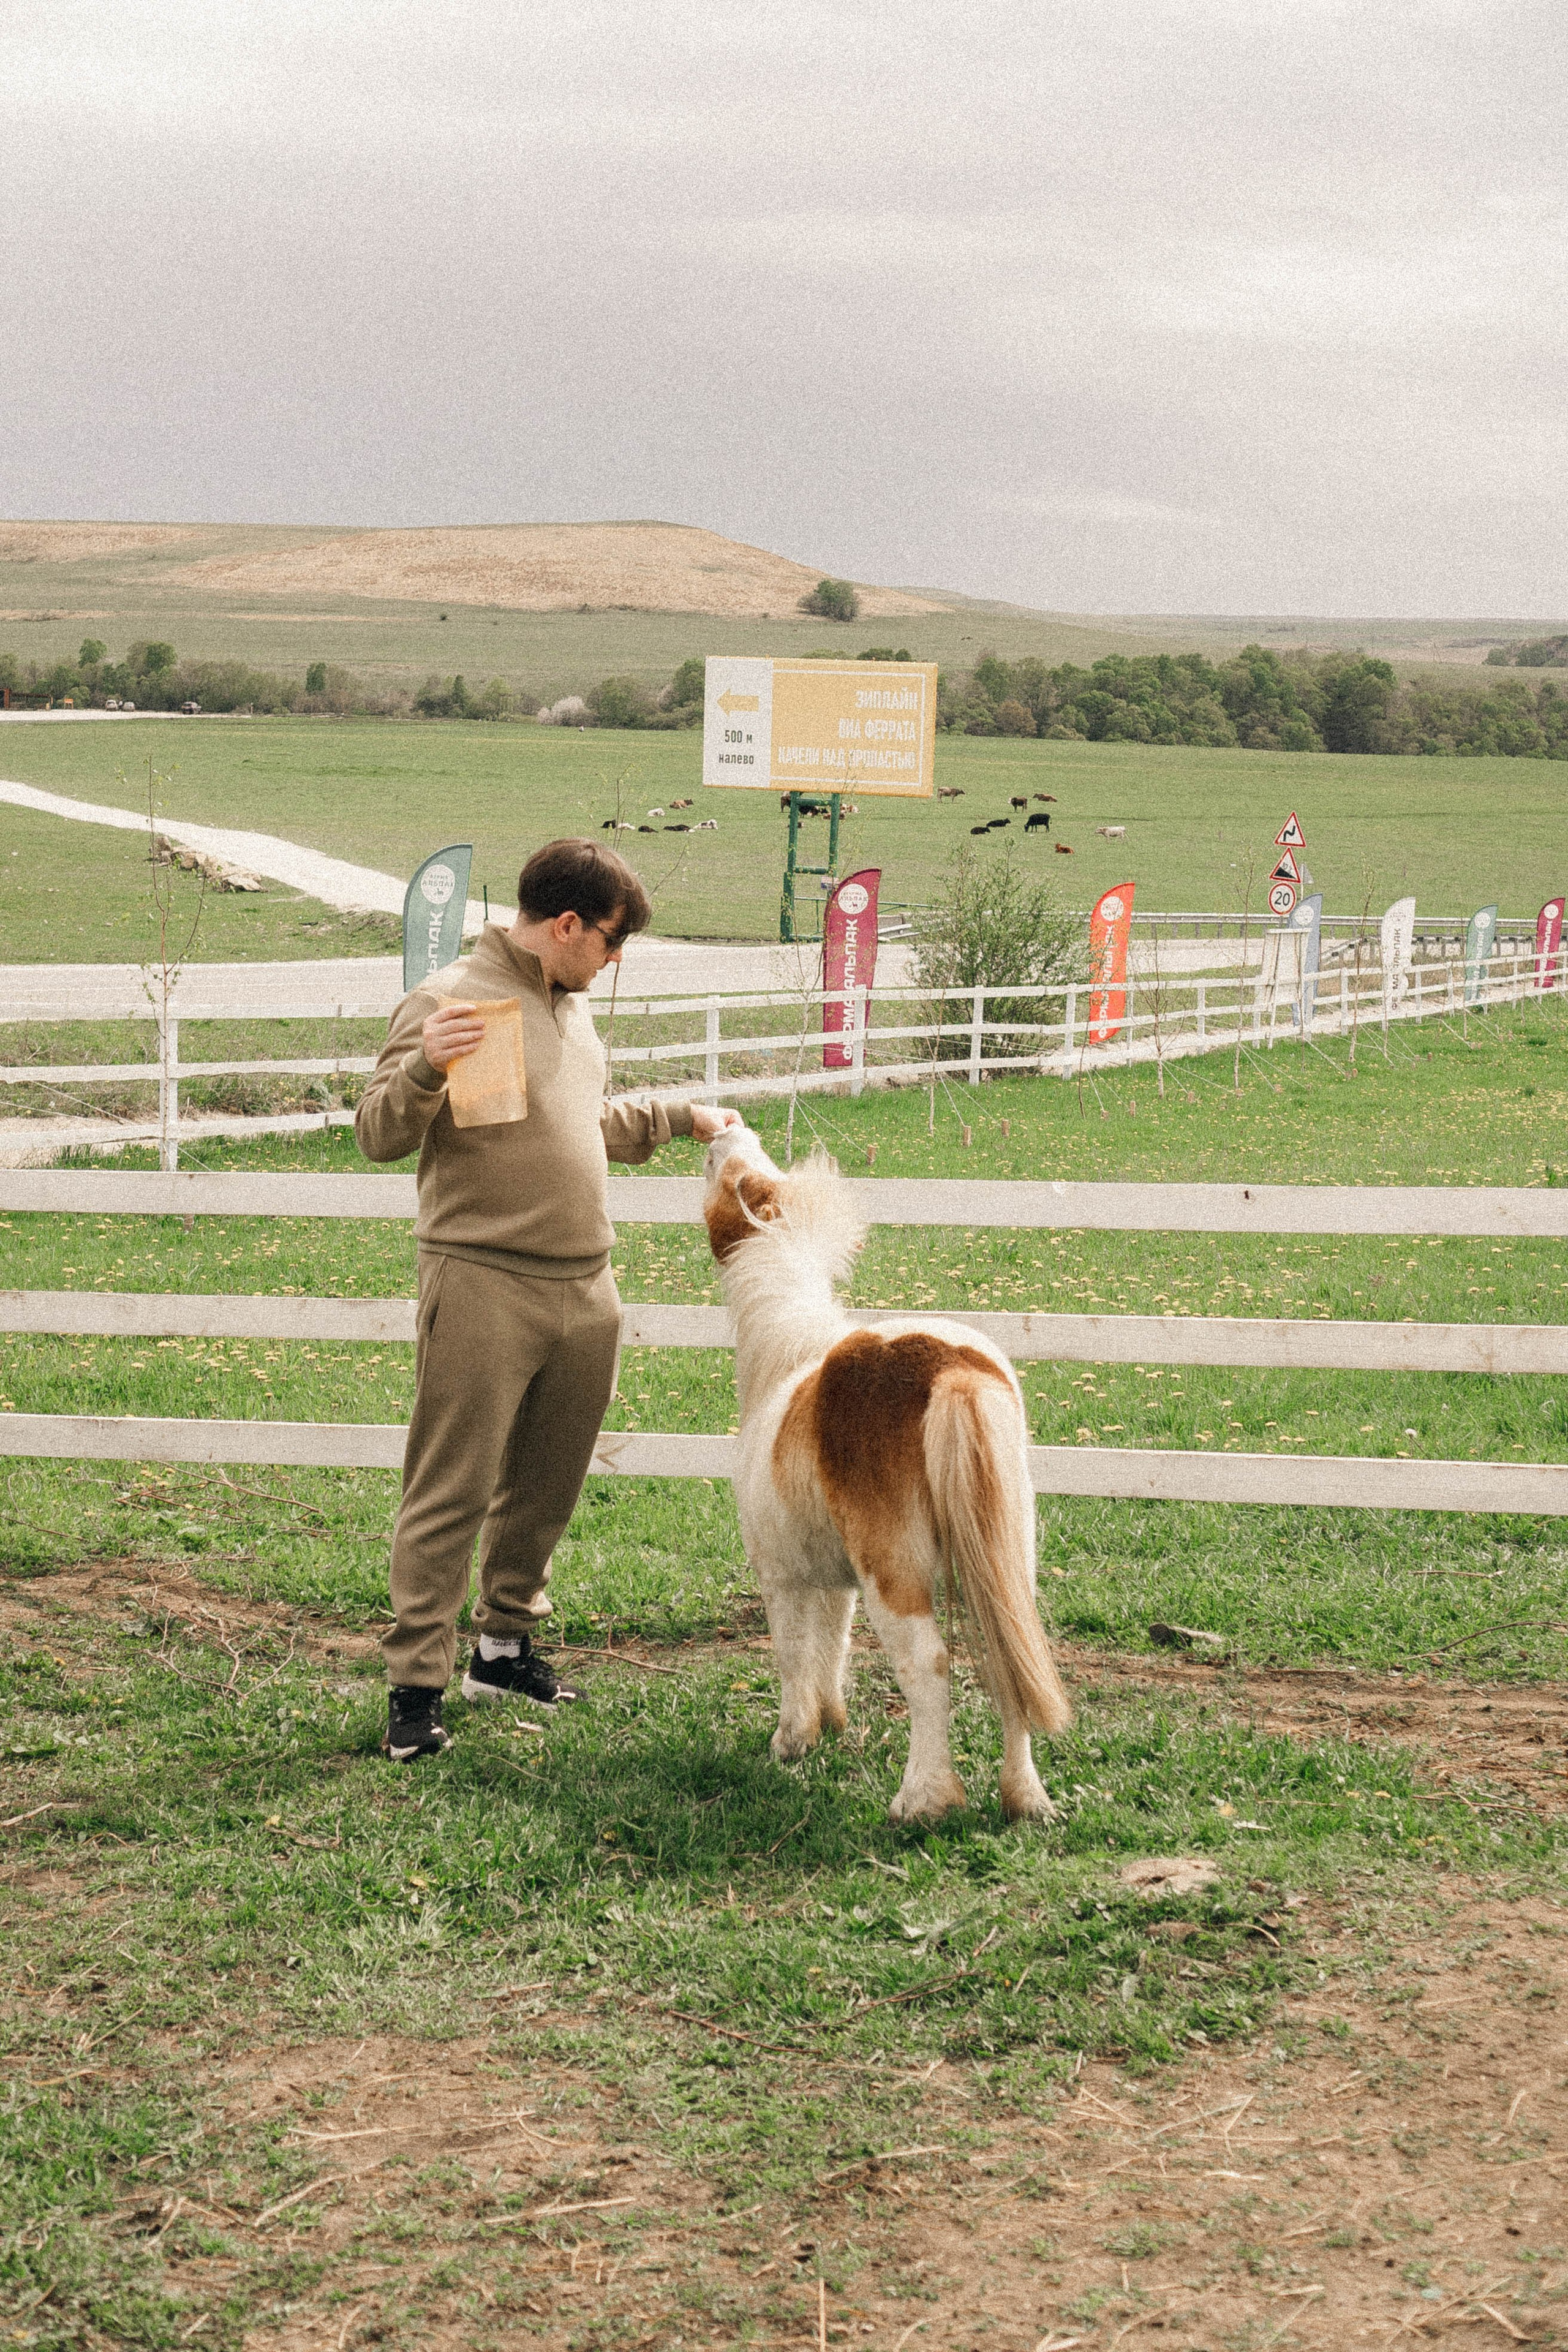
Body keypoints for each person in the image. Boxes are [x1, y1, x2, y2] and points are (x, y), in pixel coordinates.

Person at [355, 837, 741, 1761]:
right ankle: (416, 1688)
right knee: (451, 1488)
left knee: (549, 1482)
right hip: (484, 1282)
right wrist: (421, 1072)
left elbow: (575, 1123)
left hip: (585, 1285)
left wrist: (678, 1119)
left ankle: (504, 1645)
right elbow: (376, 1133)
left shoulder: (567, 1009)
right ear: (566, 925)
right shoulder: (453, 1004)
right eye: (611, 942)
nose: (614, 963)